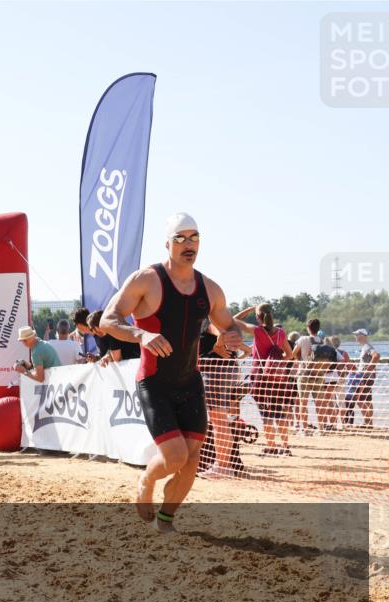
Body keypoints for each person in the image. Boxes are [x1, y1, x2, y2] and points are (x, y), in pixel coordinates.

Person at [101, 213, 246, 533]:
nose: (188, 244)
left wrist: (232, 337)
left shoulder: (209, 289)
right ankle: (146, 479)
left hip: (190, 383)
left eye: (194, 237)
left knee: (193, 460)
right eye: (180, 238)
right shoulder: (146, 280)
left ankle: (165, 519)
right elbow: (108, 321)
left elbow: (228, 325)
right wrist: (142, 335)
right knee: (175, 455)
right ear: (167, 244)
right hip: (155, 383)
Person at [197, 320, 250, 478]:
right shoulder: (217, 318)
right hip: (225, 370)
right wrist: (235, 357)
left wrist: (218, 346)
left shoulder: (208, 320)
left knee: (218, 421)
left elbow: (221, 332)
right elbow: (246, 348)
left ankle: (222, 465)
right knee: (221, 420)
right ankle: (223, 464)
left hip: (215, 371)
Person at [243, 303, 295, 457]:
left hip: (260, 376)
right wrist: (275, 363)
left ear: (258, 317)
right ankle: (286, 447)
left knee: (265, 413)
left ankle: (271, 446)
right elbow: (290, 355)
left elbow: (233, 320)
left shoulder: (257, 331)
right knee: (279, 413)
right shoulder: (281, 333)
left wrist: (248, 310)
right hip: (278, 378)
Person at [291, 319, 323, 436]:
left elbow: (293, 353)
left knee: (303, 402)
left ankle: (304, 429)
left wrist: (298, 360)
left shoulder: (303, 339)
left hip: (304, 373)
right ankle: (321, 428)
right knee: (319, 402)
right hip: (318, 374)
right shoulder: (322, 341)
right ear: (318, 328)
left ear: (308, 328)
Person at [347, 328, 380, 429]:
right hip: (367, 376)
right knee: (367, 400)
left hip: (365, 377)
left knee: (360, 399)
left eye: (357, 335)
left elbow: (376, 355)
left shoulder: (366, 346)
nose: (355, 337)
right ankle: (369, 423)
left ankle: (368, 422)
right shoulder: (365, 347)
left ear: (362, 336)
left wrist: (368, 369)